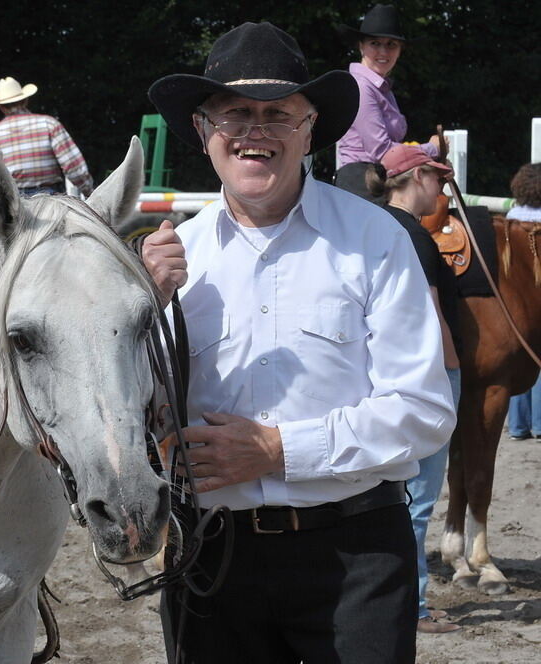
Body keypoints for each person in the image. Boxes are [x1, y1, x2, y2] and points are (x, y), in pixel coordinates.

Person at [145, 21, 456, 663]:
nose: (254, 130)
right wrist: (137, 312)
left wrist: (277, 451)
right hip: (211, 560)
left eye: (278, 114)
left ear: (310, 130)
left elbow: (425, 411)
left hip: (355, 556)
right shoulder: (167, 263)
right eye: (235, 112)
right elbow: (125, 417)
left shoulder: (378, 239)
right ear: (204, 131)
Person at [372, 144, 462, 633]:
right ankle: (416, 605)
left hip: (390, 379)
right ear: (417, 177)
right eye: (438, 180)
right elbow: (432, 318)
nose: (443, 190)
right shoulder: (419, 239)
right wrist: (453, 373)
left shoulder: (380, 227)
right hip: (428, 377)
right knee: (421, 499)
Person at [334, 4, 442, 204]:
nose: (383, 51)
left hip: (378, 179)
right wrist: (433, 149)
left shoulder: (381, 89)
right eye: (375, 43)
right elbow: (382, 152)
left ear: (400, 50)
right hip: (363, 185)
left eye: (391, 44)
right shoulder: (362, 87)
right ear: (361, 46)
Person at [0, 76, 94, 196]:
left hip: (11, 202)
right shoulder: (49, 124)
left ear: (1, 107)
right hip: (50, 198)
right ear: (26, 100)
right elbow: (73, 166)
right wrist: (88, 191)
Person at [505, 163, 541, 438]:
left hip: (512, 296)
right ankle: (539, 424)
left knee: (515, 361)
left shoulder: (511, 216)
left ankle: (517, 425)